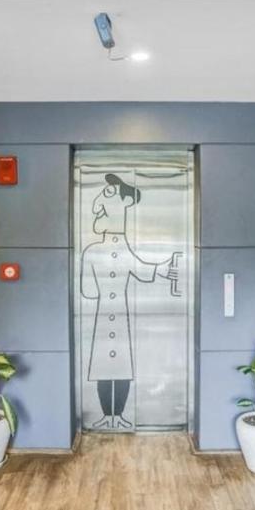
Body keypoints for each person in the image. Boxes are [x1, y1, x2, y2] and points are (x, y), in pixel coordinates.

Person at [79, 173, 179, 429]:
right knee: (103, 368)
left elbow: (141, 268)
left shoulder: (122, 251)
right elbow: (88, 292)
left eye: (108, 194)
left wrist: (166, 269)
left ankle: (119, 416)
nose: (97, 206)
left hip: (119, 318)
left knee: (121, 368)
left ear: (125, 203)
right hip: (102, 320)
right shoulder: (91, 252)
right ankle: (107, 416)